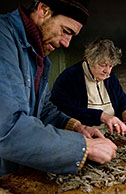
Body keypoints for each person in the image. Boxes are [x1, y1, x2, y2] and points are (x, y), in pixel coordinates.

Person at [0, 0, 117, 177]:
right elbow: (6, 130)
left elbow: (43, 109)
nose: (66, 43)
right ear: (43, 10)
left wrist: (75, 127)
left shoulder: (37, 55)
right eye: (66, 31)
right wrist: (84, 147)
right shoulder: (3, 39)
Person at [51, 39, 126, 135]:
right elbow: (63, 111)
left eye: (111, 66)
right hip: (85, 135)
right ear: (89, 60)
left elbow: (122, 98)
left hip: (112, 133)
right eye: (103, 65)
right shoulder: (70, 77)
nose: (108, 71)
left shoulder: (110, 77)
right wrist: (101, 116)